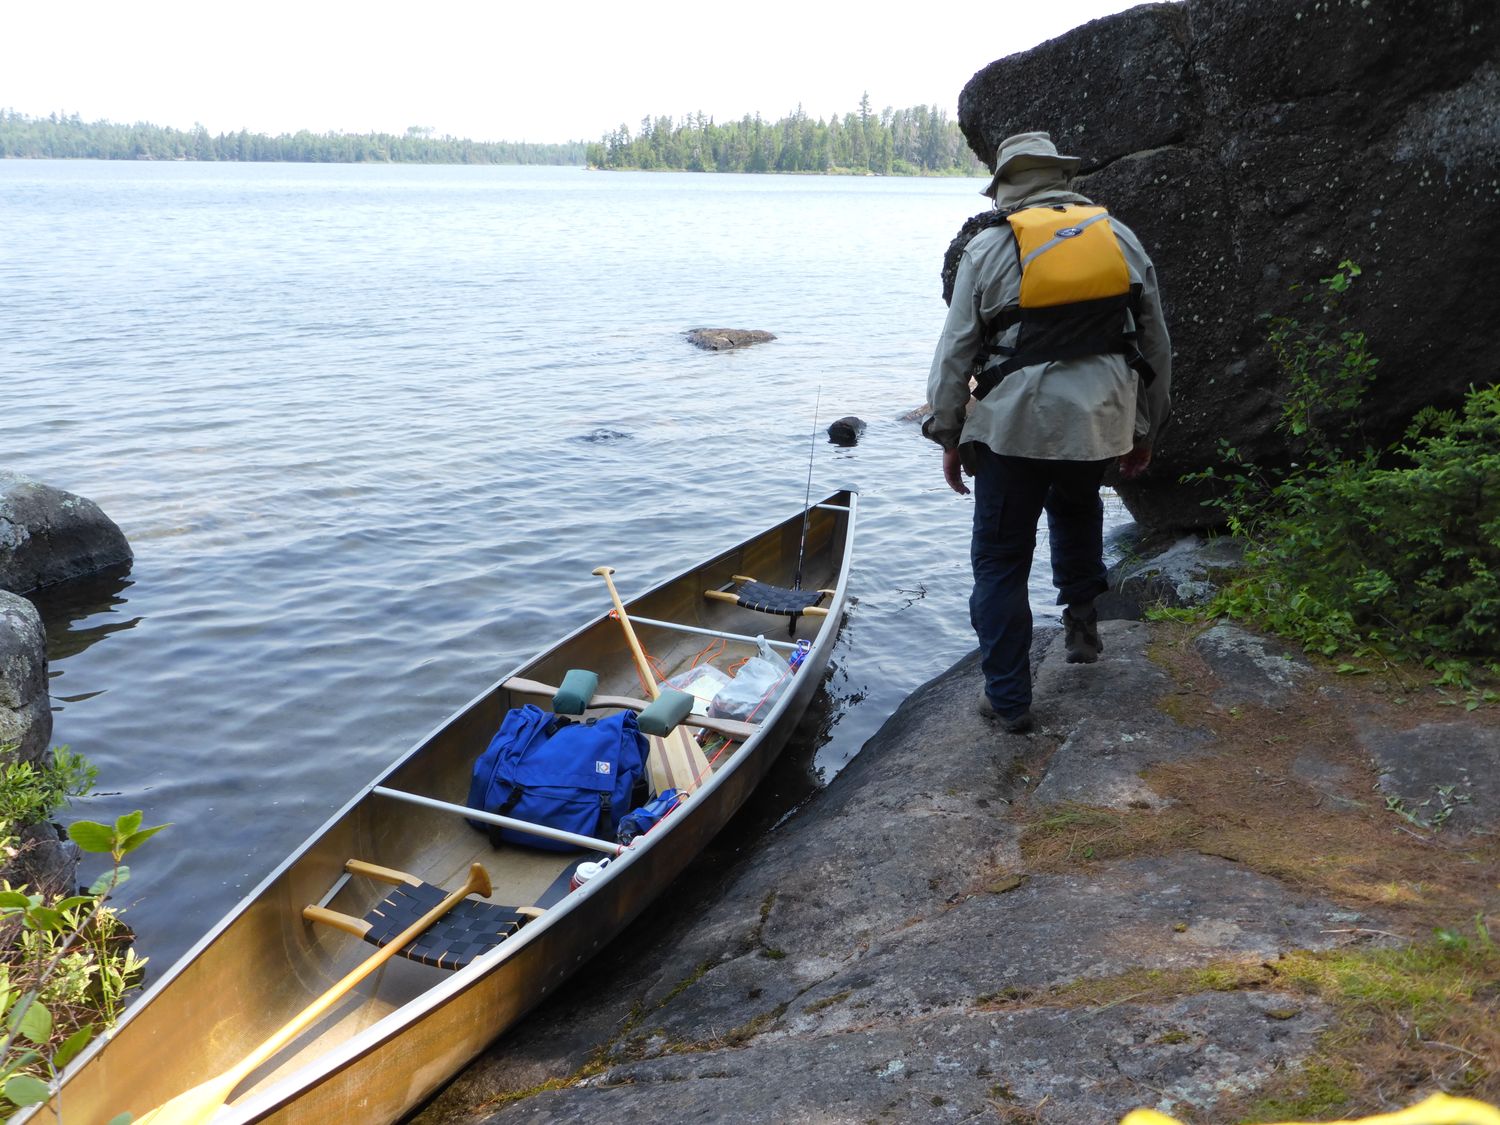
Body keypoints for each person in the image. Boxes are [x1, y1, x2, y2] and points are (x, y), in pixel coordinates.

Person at [923, 131, 1172, 733]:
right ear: (1062, 177)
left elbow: (954, 353)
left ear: (1005, 188)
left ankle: (1009, 701)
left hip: (1013, 427)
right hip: (1098, 419)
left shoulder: (987, 247)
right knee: (1077, 504)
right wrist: (1145, 428)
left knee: (1001, 561)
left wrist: (948, 432)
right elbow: (1156, 345)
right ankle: (1082, 623)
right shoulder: (1119, 238)